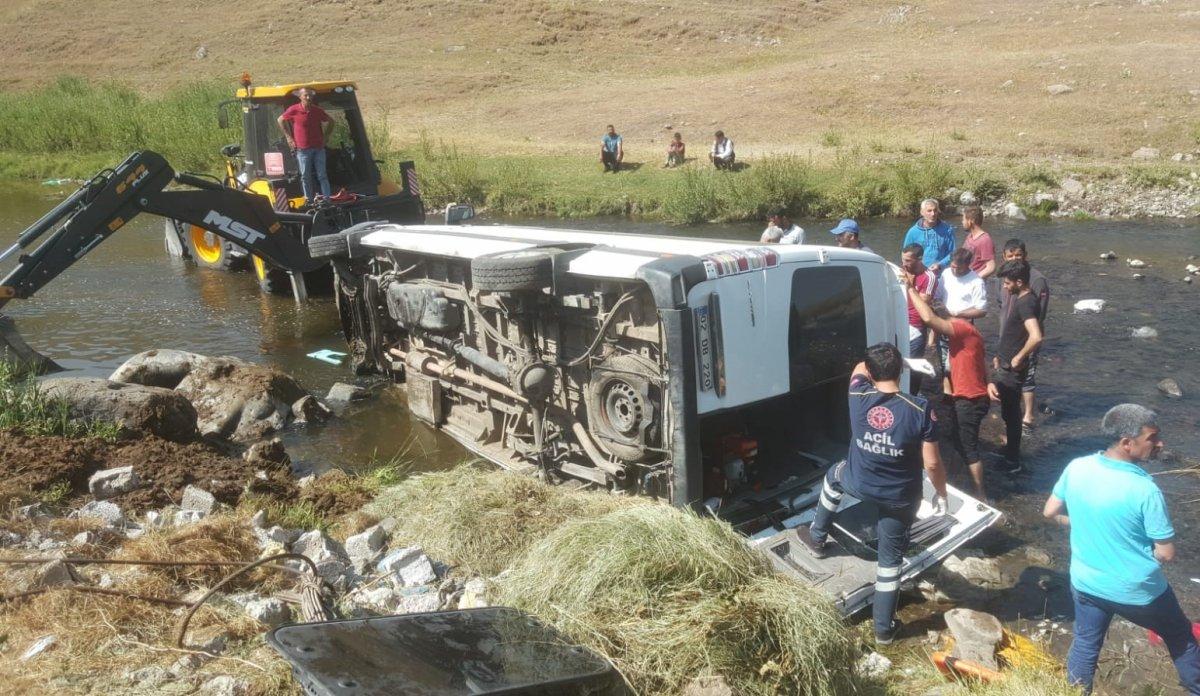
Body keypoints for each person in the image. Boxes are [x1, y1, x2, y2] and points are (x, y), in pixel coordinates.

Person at [1043, 404, 1200, 695]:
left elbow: (1050, 512)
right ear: (1127, 443)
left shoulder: (1077, 466)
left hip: (1086, 583)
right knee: (1181, 638)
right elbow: (1166, 553)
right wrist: (1142, 556)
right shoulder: (1145, 489)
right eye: (1152, 437)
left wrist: (1079, 522)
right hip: (1137, 591)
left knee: (1086, 643)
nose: (1159, 443)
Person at [798, 343, 948, 645]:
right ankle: (883, 630)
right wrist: (941, 493)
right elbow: (932, 463)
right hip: (899, 496)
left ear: (871, 371)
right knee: (890, 561)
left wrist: (900, 362)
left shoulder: (858, 395)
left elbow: (859, 369)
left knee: (833, 477)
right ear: (899, 371)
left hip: (857, 481)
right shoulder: (920, 409)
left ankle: (817, 537)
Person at [906, 276, 991, 501]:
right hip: (967, 395)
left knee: (968, 446)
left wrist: (910, 289)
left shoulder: (961, 329)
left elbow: (928, 317)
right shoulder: (966, 331)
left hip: (971, 399)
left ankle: (981, 495)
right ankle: (962, 479)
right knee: (956, 438)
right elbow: (982, 362)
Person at [987, 259, 1042, 474]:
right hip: (1005, 363)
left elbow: (1036, 336)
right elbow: (1015, 333)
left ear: (1019, 282)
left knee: (1011, 414)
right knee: (1008, 412)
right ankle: (1010, 450)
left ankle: (1012, 461)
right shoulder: (1023, 298)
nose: (1005, 286)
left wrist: (1018, 357)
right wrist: (1000, 355)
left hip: (1012, 369)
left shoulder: (1026, 302)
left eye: (1007, 283)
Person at [998, 239, 1051, 435]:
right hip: (1008, 335)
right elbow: (1001, 305)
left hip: (1025, 340)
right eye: (1010, 256)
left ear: (1025, 256)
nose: (1014, 259)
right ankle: (1013, 417)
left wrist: (1021, 354)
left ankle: (1028, 416)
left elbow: (1037, 316)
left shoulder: (1036, 281)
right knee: (1009, 383)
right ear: (1004, 257)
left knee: (1026, 379)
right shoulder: (1005, 277)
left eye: (1018, 255)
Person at [934, 248, 988, 385]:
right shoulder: (946, 273)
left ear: (967, 264)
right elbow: (938, 296)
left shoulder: (976, 282)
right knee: (944, 364)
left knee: (960, 365)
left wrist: (958, 313)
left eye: (958, 268)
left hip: (963, 330)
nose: (954, 270)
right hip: (944, 325)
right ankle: (947, 392)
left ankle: (960, 389)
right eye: (952, 266)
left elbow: (982, 310)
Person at [277, 88, 335, 205]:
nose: (308, 98)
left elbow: (331, 121)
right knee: (305, 176)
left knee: (322, 175)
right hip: (303, 150)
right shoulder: (294, 109)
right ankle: (308, 200)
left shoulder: (317, 111)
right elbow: (280, 120)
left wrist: (326, 136)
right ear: (300, 97)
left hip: (318, 148)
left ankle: (327, 199)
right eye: (306, 95)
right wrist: (288, 137)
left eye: (310, 96)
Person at [901, 243, 938, 394]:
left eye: (908, 260)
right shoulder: (901, 270)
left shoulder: (929, 277)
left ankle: (913, 395)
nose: (904, 263)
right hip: (900, 320)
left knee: (913, 366)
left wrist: (909, 285)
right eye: (903, 259)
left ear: (919, 259)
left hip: (916, 326)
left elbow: (923, 301)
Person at [902, 199, 955, 273]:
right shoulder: (913, 232)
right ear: (922, 212)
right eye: (929, 211)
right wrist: (907, 272)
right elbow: (905, 255)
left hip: (940, 273)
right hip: (920, 274)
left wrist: (940, 264)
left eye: (935, 210)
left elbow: (952, 253)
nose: (933, 214)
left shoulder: (947, 230)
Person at [960, 205, 996, 279]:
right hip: (965, 276)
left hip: (973, 281)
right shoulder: (970, 236)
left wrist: (976, 279)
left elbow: (991, 267)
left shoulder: (985, 240)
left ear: (971, 220)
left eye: (964, 219)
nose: (962, 222)